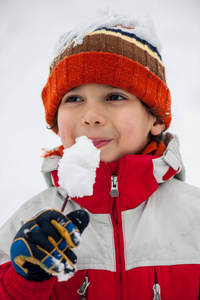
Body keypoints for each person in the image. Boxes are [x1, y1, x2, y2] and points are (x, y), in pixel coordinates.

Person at [0, 12, 200, 300]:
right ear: (56, 123)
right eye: (74, 99)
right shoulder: (30, 224)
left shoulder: (194, 216)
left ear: (155, 119)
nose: (91, 116)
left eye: (115, 96)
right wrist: (24, 281)